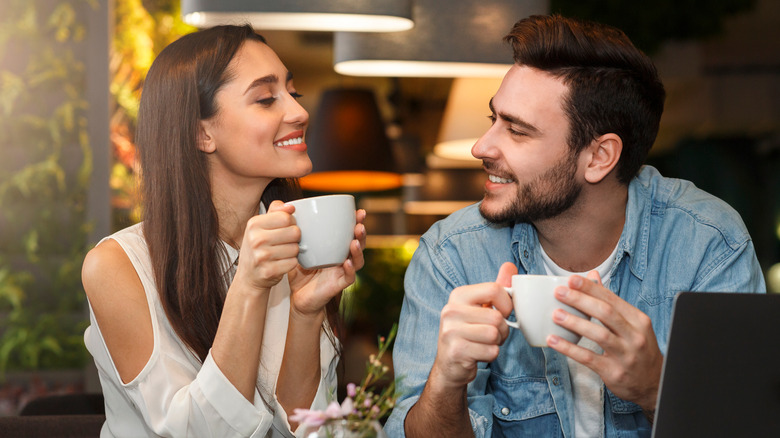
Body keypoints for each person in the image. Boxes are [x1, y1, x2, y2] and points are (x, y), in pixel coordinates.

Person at [384, 14, 765, 438]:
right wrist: (445, 383)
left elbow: (743, 425)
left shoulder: (708, 243)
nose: (481, 146)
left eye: (517, 131)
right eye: (493, 119)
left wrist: (657, 389)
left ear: (599, 157)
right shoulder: (452, 254)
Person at [81, 25, 367, 437]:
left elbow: (307, 429)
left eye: (293, 93)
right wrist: (250, 285)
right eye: (267, 98)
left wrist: (306, 312)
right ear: (202, 132)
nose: (300, 112)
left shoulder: (297, 245)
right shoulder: (117, 266)